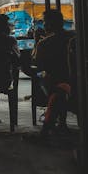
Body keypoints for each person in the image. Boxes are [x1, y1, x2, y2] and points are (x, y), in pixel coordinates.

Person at [31, 8, 74, 136]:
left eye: (44, 22)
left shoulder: (44, 44)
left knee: (48, 83)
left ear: (49, 24)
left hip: (56, 82)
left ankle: (47, 129)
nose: (43, 24)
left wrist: (36, 42)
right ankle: (60, 123)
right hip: (74, 80)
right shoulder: (72, 36)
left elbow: (37, 64)